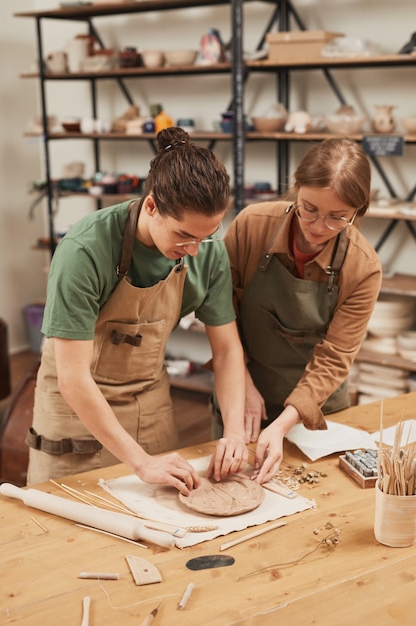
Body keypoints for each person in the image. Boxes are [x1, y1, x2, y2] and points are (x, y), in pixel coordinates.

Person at [26, 127, 248, 494]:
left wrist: (235, 432)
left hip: (148, 404)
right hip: (77, 410)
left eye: (205, 236)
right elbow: (73, 378)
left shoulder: (208, 253)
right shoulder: (85, 250)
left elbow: (226, 352)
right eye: (183, 236)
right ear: (151, 206)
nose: (194, 250)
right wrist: (140, 461)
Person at [213, 137, 382, 484]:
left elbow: (334, 357)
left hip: (315, 410)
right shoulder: (252, 225)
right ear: (295, 189)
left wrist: (284, 422)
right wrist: (241, 383)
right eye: (308, 208)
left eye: (338, 218)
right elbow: (218, 309)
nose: (319, 227)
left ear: (357, 212)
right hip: (243, 394)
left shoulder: (362, 267)